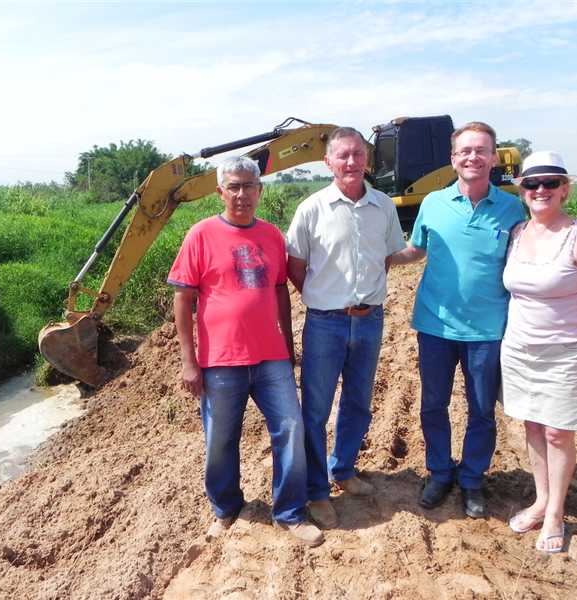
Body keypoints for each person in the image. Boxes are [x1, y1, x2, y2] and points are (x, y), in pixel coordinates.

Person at [167, 156, 324, 547]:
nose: (241, 194)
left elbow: (278, 292)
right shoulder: (200, 235)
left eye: (248, 186)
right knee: (220, 439)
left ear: (260, 189)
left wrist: (288, 345)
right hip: (220, 361)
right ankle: (226, 509)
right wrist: (190, 362)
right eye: (233, 187)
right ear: (220, 192)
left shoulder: (272, 236)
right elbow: (183, 301)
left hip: (271, 358)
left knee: (290, 429)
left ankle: (289, 511)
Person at [389, 122, 526, 519]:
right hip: (435, 325)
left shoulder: (511, 206)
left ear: (493, 157)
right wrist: (378, 258)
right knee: (434, 404)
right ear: (453, 159)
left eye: (481, 150)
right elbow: (416, 250)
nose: (473, 157)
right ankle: (439, 472)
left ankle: (472, 480)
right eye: (465, 151)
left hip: (487, 329)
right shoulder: (433, 202)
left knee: (481, 409)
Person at [285, 127, 407, 530]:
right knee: (316, 411)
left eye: (357, 154)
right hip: (325, 325)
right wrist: (323, 298)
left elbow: (387, 256)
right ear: (329, 162)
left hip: (370, 321)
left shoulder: (383, 206)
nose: (351, 162)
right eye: (343, 156)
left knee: (358, 403)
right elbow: (295, 266)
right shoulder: (312, 209)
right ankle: (317, 491)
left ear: (366, 159)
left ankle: (344, 470)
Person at [502, 151, 577, 553]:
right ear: (522, 190)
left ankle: (555, 514)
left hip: (568, 352)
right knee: (533, 426)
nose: (541, 190)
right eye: (532, 184)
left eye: (551, 183)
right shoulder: (518, 232)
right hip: (518, 350)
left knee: (557, 431)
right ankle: (540, 500)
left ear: (565, 189)